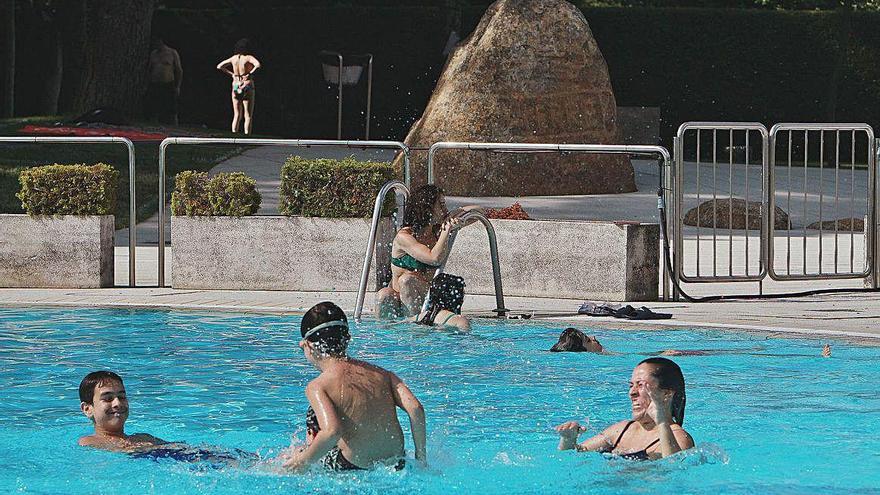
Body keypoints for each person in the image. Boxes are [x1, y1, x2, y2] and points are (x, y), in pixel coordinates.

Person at [283, 302, 427, 472]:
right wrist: (420, 460)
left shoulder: (317, 386)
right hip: (396, 462)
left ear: (308, 345)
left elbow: (331, 432)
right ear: (347, 338)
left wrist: (302, 462)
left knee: (294, 453)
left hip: (353, 465)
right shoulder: (383, 374)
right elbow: (416, 409)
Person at [556, 358, 695, 460]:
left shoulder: (680, 437)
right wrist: (568, 439)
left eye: (641, 385)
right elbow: (574, 455)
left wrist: (662, 422)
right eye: (631, 386)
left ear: (666, 394)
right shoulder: (622, 430)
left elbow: (675, 471)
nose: (632, 393)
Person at [376, 185, 463, 318]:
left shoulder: (437, 231)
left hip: (425, 301)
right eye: (440, 205)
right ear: (426, 209)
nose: (445, 209)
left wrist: (453, 215)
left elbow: (478, 211)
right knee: (384, 294)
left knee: (407, 280)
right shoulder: (404, 237)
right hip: (399, 301)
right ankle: (384, 337)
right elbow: (434, 258)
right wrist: (447, 230)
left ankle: (416, 328)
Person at [78, 370, 166, 451]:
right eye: (108, 398)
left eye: (121, 397)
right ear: (87, 409)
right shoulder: (89, 442)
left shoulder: (144, 438)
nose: (118, 403)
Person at [216, 38, 261, 134]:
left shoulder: (234, 58)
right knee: (248, 115)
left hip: (236, 84)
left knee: (237, 114)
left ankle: (234, 134)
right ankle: (247, 135)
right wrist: (250, 73)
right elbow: (258, 65)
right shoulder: (248, 58)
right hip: (246, 84)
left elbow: (219, 66)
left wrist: (232, 74)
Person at [145, 37, 183, 125]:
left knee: (172, 107)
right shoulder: (153, 54)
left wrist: (178, 86)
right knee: (154, 105)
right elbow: (149, 69)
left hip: (168, 83)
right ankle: (153, 123)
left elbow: (179, 70)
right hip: (155, 83)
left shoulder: (172, 53)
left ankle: (174, 124)